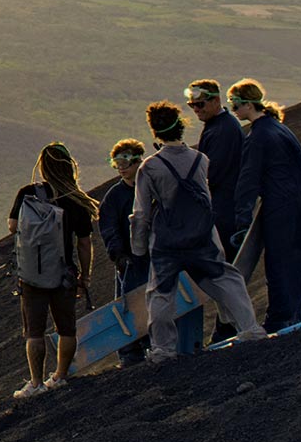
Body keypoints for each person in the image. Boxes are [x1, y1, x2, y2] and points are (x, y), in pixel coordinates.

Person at [131, 102, 265, 363]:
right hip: (202, 238)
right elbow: (206, 199)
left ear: (154, 131)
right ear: (181, 126)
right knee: (228, 280)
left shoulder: (150, 167)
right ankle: (250, 329)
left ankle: (162, 350)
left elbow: (141, 213)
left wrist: (138, 248)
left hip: (167, 242)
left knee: (160, 293)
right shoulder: (199, 159)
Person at [98, 139, 200, 365]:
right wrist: (118, 255)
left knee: (161, 302)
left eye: (125, 161)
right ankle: (130, 356)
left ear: (138, 161)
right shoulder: (114, 197)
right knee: (130, 308)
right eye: (116, 163)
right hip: (131, 262)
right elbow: (109, 228)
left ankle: (159, 346)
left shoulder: (154, 186)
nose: (121, 168)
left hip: (160, 256)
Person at [8, 142, 96, 397]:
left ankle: (35, 383)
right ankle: (59, 377)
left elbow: (13, 226)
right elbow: (84, 242)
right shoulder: (75, 200)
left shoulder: (27, 193)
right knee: (66, 327)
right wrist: (85, 275)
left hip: (32, 273)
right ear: (69, 167)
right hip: (63, 274)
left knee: (34, 331)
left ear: (43, 167)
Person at [229, 78, 301, 332]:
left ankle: (279, 320)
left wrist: (242, 220)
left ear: (248, 104)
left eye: (235, 104)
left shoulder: (258, 136)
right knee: (298, 262)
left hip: (280, 206)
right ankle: (293, 316)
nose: (233, 110)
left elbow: (248, 181)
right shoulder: (280, 128)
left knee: (278, 263)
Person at [186, 78, 243, 344]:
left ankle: (230, 328)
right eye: (192, 105)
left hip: (223, 212)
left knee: (223, 272)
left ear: (216, 100)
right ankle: (227, 326)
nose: (196, 109)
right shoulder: (217, 126)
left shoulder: (223, 130)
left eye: (200, 103)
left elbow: (213, 173)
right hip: (221, 209)